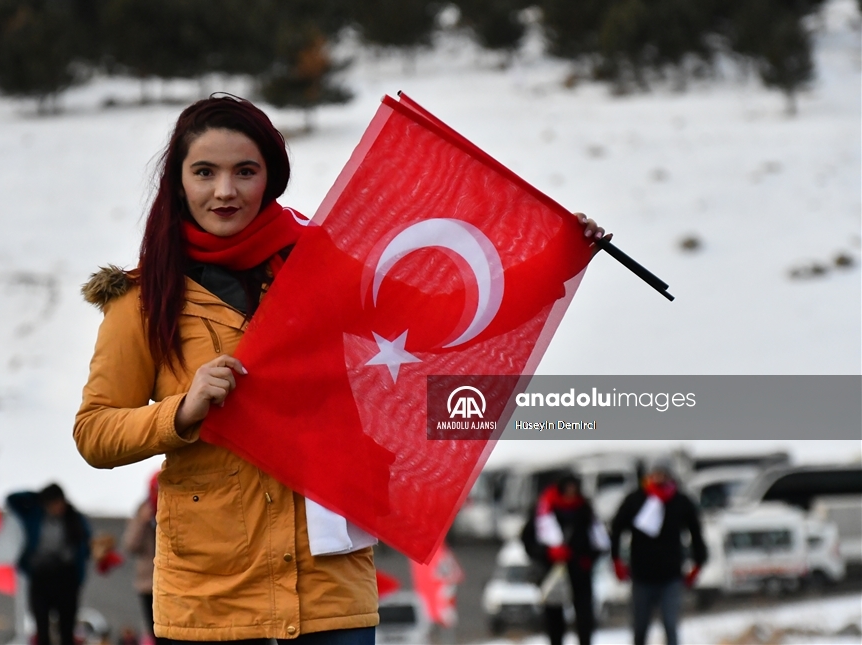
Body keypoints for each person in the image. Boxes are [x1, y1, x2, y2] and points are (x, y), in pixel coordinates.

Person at [73, 94, 608, 643]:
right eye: (204, 172)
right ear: (178, 181)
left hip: (328, 586)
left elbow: (443, 318)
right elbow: (93, 432)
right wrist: (181, 412)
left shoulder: (317, 264)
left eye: (245, 171)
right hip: (210, 597)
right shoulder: (141, 298)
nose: (225, 191)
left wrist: (555, 258)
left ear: (271, 178)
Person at [611, 458, 707, 645]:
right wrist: (616, 560)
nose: (659, 478)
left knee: (671, 626)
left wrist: (698, 562)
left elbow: (696, 532)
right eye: (655, 474)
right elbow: (616, 529)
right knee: (640, 627)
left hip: (671, 575)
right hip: (641, 574)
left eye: (663, 474)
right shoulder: (635, 500)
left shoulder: (680, 501)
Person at [521, 474, 610, 645]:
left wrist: (588, 559)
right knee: (554, 619)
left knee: (584, 617)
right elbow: (528, 541)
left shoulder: (585, 509)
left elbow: (599, 540)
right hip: (554, 572)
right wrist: (548, 552)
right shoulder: (543, 509)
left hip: (580, 572)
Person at [7, 483, 91, 645]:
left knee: (66, 627)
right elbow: (12, 499)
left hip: (66, 578)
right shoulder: (35, 516)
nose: (56, 508)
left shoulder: (74, 519)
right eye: (52, 503)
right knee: (41, 626)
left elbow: (86, 545)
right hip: (41, 576)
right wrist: (36, 496)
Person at [122, 475, 158, 644]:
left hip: (175, 583)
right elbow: (130, 545)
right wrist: (143, 522)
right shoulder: (142, 512)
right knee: (154, 630)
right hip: (148, 583)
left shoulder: (178, 505)